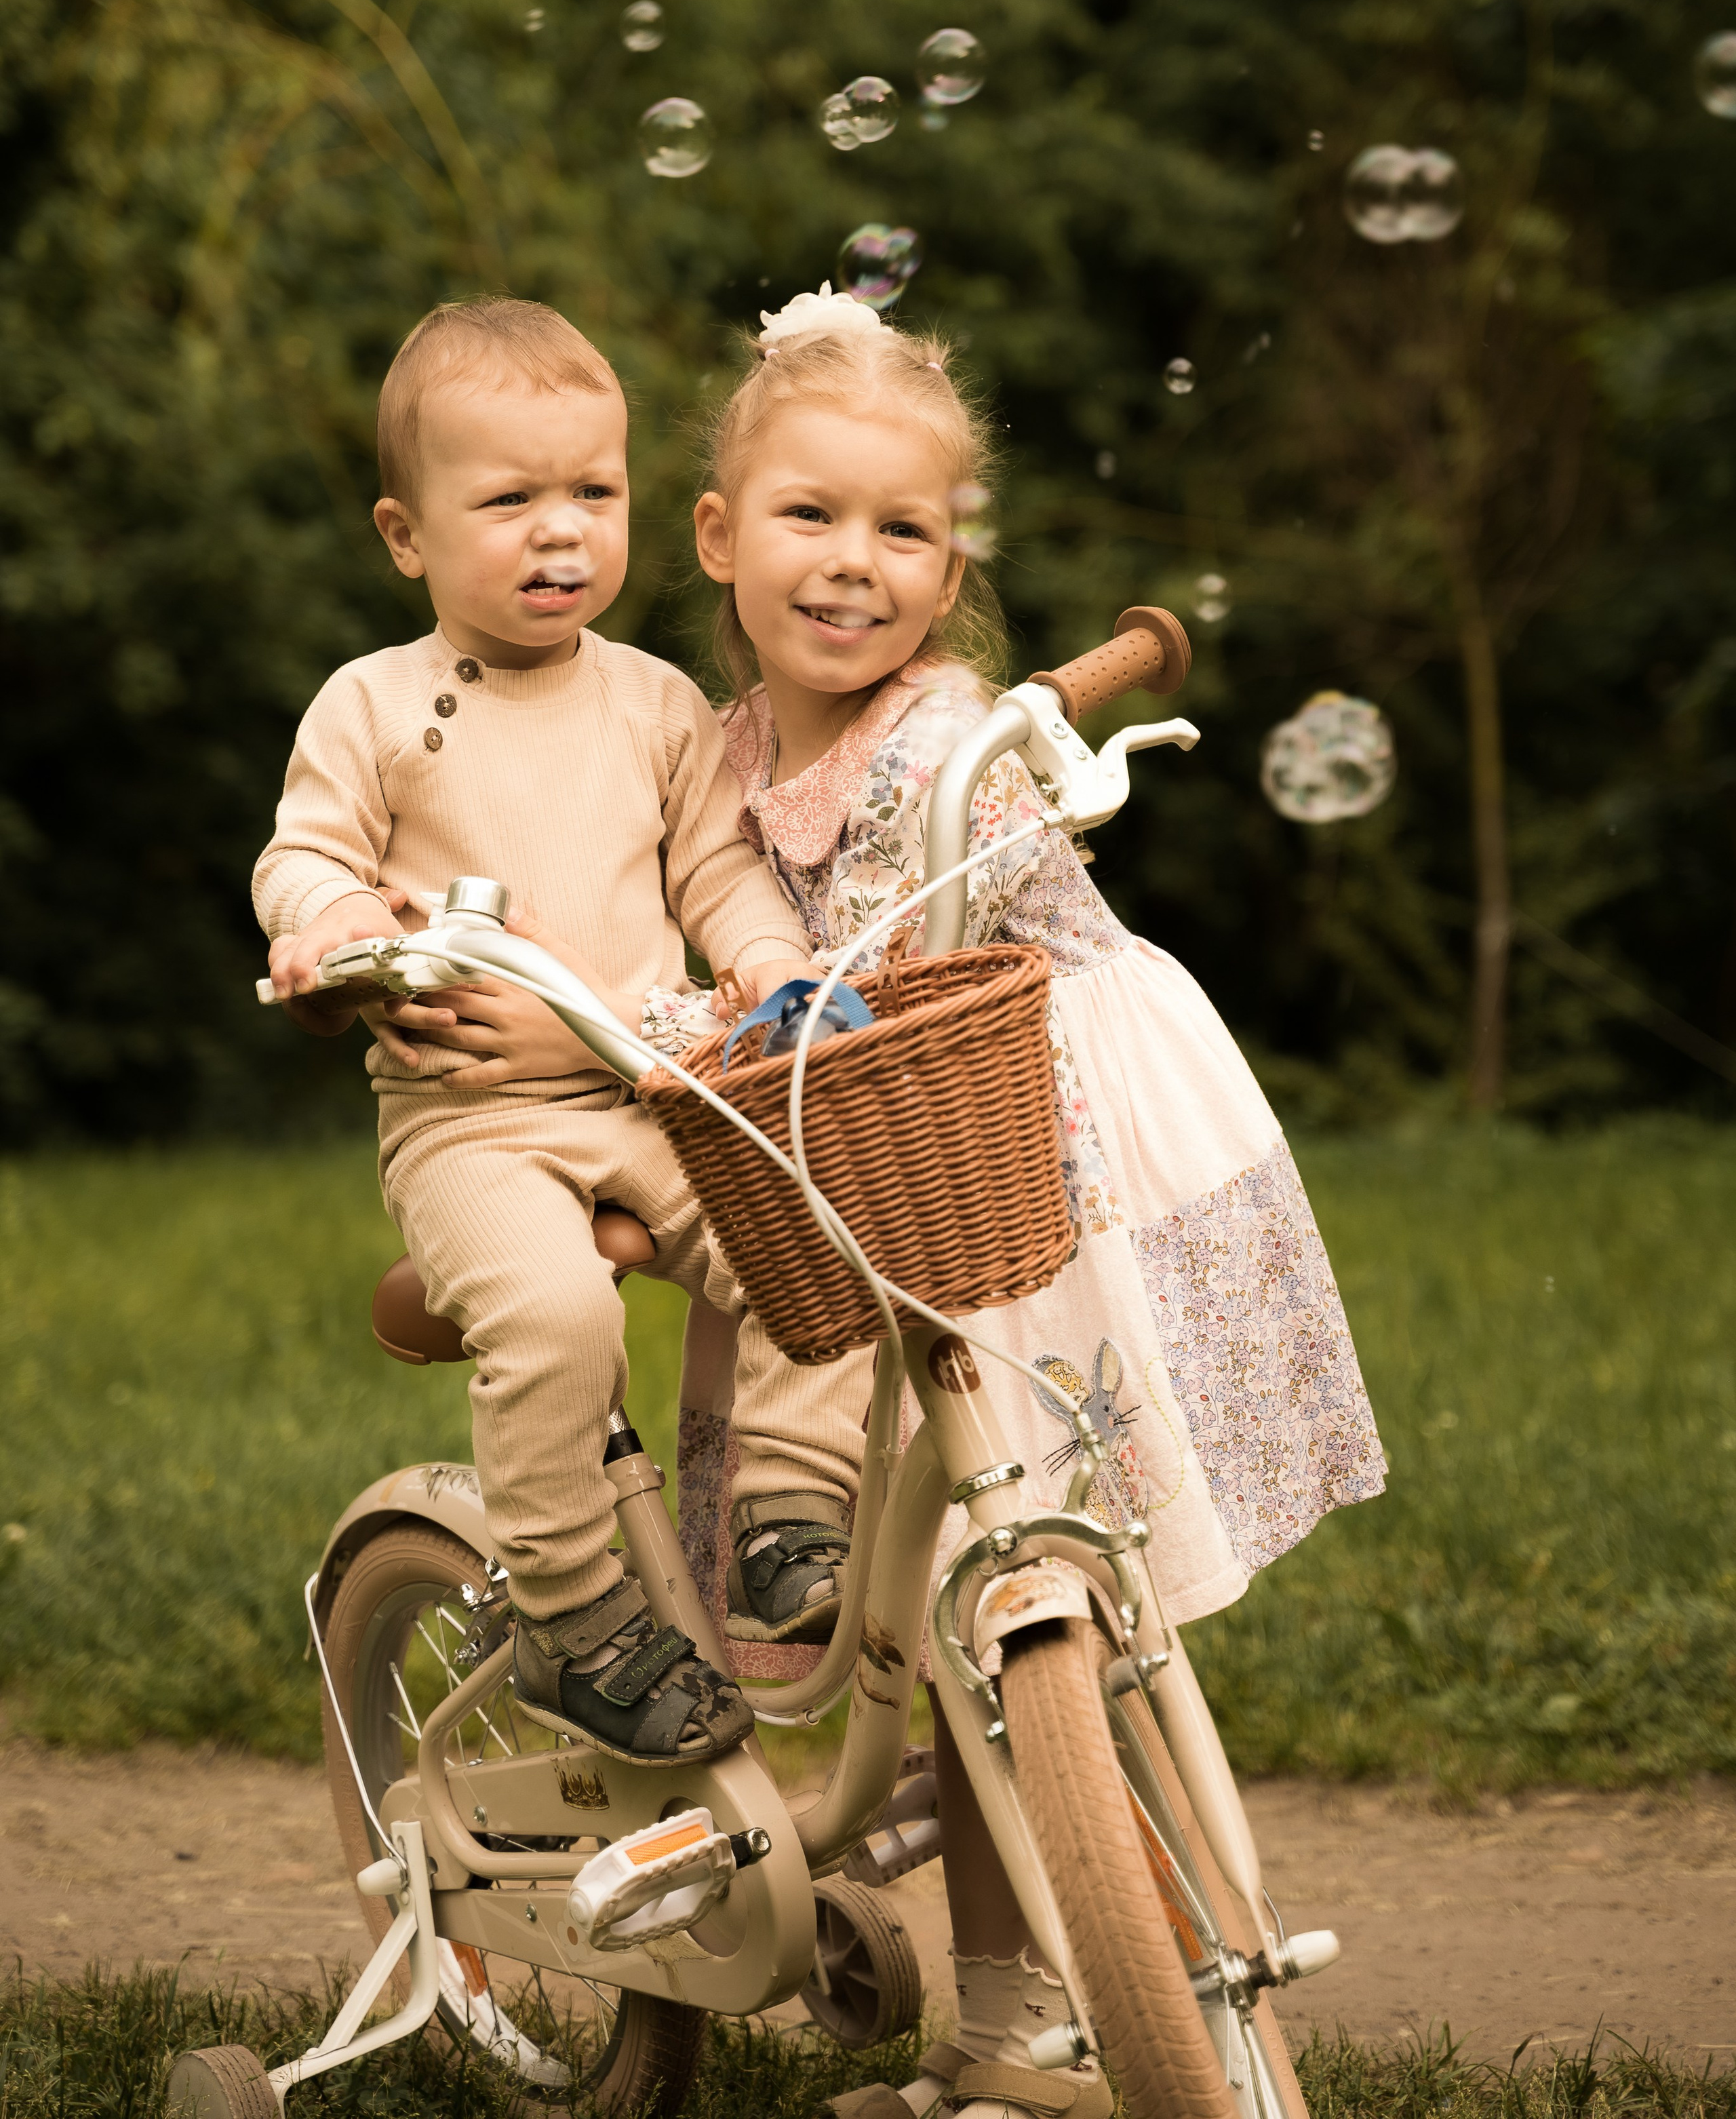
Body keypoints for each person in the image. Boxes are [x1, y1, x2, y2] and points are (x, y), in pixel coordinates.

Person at [682, 281, 1385, 2114]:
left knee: (1042, 1594)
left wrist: (1029, 779)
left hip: (1033, 1154)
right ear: (718, 536)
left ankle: (1077, 1987)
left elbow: (999, 846)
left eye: (903, 530)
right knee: (964, 1619)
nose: (856, 564)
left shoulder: (948, 728)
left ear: (951, 559)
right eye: (810, 517)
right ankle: (1006, 2024)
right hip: (868, 1182)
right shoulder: (721, 752)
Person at [255, 295, 864, 1764]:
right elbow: (307, 854)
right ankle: (569, 1609)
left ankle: (785, 1514)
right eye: (511, 499)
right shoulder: (374, 704)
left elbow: (716, 869)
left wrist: (772, 964)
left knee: (813, 1236)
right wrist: (332, 928)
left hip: (650, 1094)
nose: (561, 533)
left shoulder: (657, 705)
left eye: (593, 493)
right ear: (407, 535)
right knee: (553, 1315)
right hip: (471, 1122)